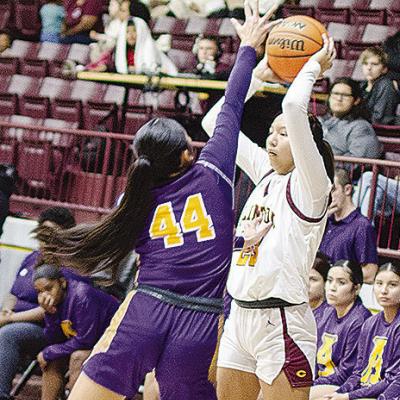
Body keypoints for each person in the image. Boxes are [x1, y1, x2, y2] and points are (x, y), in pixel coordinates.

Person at [37, 3, 278, 399]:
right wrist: (248, 47)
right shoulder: (214, 171)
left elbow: (174, 243)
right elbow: (231, 106)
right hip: (200, 321)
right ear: (186, 155)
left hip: (147, 308)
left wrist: (236, 241)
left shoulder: (132, 199)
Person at [202, 34, 336, 400]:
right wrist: (259, 75)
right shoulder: (264, 171)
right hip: (240, 316)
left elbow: (294, 107)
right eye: (270, 133)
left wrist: (313, 67)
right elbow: (214, 121)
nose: (272, 139)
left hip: (281, 322)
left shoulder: (312, 187)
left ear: (305, 142)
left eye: (283, 134)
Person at [0, 207, 82, 400]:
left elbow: (51, 307)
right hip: (14, 318)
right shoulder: (32, 257)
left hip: (48, 327)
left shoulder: (69, 264)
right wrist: (6, 311)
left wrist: (10, 319)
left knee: (8, 335)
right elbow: (13, 293)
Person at [33, 264, 119, 400]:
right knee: (51, 359)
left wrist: (48, 352)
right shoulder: (54, 302)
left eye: (49, 288)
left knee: (78, 357)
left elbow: (85, 340)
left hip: (114, 346)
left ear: (62, 283)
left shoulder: (82, 296)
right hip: (91, 345)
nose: (45, 295)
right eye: (39, 292)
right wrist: (49, 314)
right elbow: (54, 341)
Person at [322, 261, 400, 400]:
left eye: (393, 285)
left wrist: (349, 396)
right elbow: (358, 372)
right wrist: (340, 393)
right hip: (363, 390)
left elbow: (393, 380)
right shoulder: (369, 324)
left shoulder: (361, 319)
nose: (384, 290)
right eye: (379, 283)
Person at [310, 260, 371, 400]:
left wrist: (311, 384)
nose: (332, 287)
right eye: (330, 281)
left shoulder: (360, 320)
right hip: (319, 381)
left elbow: (347, 372)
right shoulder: (325, 313)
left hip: (345, 386)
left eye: (341, 283)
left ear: (356, 288)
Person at [319, 168, 378, 284]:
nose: (328, 196)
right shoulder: (324, 221)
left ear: (347, 190)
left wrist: (336, 276)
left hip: (342, 295)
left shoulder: (362, 226)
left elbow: (370, 274)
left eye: (333, 190)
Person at [82, 18, 178, 76]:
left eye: (134, 31)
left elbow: (151, 68)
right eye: (127, 32)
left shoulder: (150, 50)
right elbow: (109, 63)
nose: (131, 35)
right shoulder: (117, 51)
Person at [320, 77, 381, 160]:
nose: (339, 99)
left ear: (356, 100)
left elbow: (361, 162)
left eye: (345, 95)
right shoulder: (321, 121)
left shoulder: (361, 127)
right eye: (335, 94)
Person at [359, 47, 400, 125]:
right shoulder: (362, 85)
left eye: (374, 64)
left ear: (384, 69)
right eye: (365, 63)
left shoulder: (385, 85)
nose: (369, 68)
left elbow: (379, 119)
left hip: (381, 133)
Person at [309, 251, 331, 323]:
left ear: (325, 283)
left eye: (313, 279)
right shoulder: (292, 311)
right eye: (302, 278)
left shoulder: (332, 315)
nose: (306, 284)